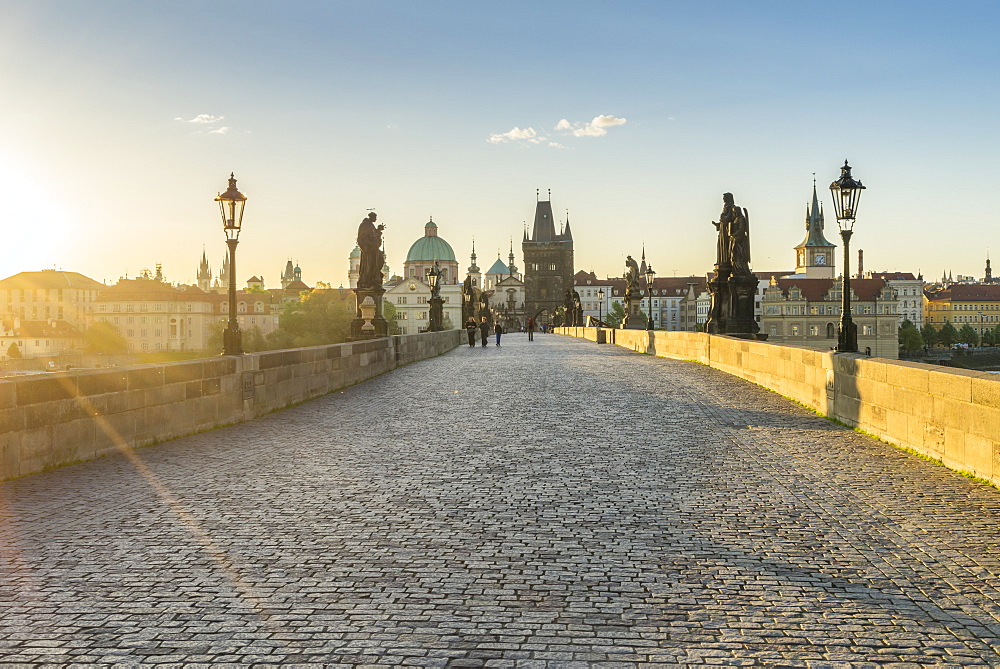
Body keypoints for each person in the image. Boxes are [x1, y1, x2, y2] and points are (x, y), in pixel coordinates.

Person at [357, 212, 385, 290]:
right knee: (369, 266)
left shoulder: (371, 225)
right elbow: (362, 238)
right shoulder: (365, 225)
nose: (376, 219)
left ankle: (374, 278)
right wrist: (368, 246)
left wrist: (378, 230)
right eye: (375, 217)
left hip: (374, 249)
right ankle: (367, 279)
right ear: (371, 217)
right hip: (368, 251)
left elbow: (374, 235)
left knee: (380, 260)